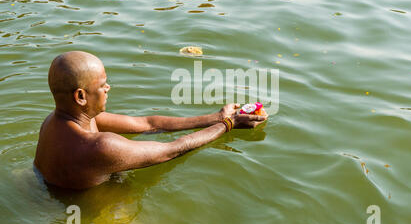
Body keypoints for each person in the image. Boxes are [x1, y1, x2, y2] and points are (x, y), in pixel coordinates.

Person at [34, 51, 268, 190]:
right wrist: (230, 124)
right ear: (81, 96)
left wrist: (216, 117)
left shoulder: (55, 122)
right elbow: (172, 150)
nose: (108, 88)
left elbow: (147, 124)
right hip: (95, 217)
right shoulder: (99, 147)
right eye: (102, 84)